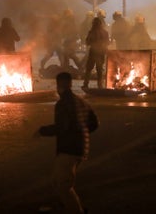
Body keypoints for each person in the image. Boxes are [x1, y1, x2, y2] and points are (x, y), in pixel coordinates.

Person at [37, 72, 99, 214]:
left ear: (59, 86)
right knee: (58, 181)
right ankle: (66, 206)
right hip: (81, 148)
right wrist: (82, 132)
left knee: (63, 185)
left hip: (69, 150)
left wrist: (41, 131)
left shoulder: (63, 104)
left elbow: (61, 127)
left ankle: (77, 210)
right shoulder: (81, 101)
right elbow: (95, 124)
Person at [83, 16, 110, 90]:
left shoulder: (91, 32)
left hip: (93, 52)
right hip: (101, 52)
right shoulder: (105, 32)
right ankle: (100, 85)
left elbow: (87, 42)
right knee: (99, 69)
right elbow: (108, 42)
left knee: (89, 68)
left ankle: (85, 84)